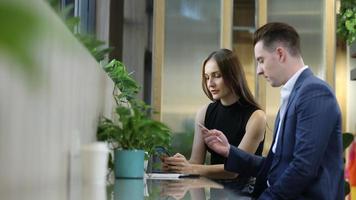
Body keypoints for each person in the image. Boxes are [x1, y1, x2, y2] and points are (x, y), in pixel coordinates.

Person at [203, 22, 344, 199]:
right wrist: (230, 151)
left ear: (280, 54)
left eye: (261, 60)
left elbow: (303, 167)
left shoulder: (314, 92)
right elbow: (276, 164)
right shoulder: (294, 94)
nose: (258, 71)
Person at [162, 48, 266, 181]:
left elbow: (235, 170)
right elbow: (196, 162)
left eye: (217, 76)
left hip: (245, 194)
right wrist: (177, 165)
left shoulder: (256, 117)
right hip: (215, 192)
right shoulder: (204, 113)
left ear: (233, 75)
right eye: (207, 77)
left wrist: (190, 168)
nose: (210, 84)